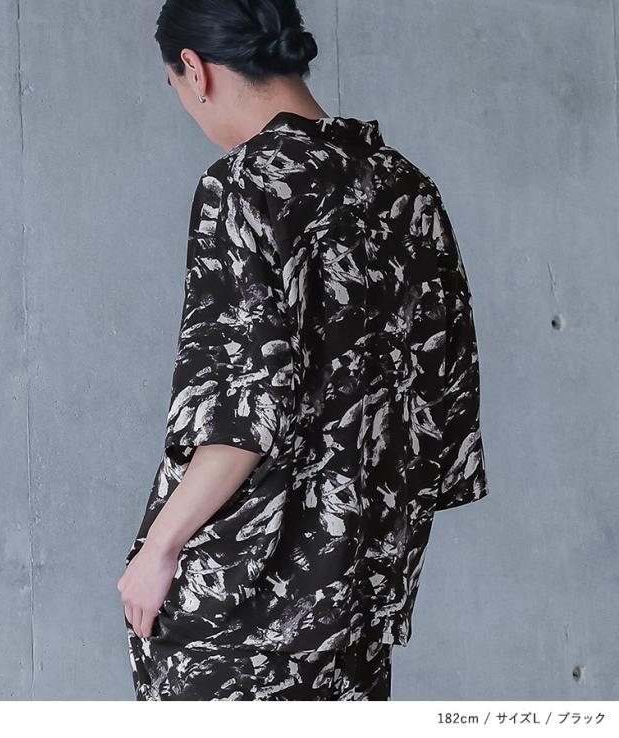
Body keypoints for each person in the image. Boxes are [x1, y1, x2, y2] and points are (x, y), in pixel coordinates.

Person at [117, 0, 489, 701]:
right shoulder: (407, 189)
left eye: (177, 88)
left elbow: (244, 414)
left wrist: (158, 549)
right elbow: (447, 408)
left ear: (195, 70)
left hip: (242, 609)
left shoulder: (244, 185)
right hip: (359, 608)